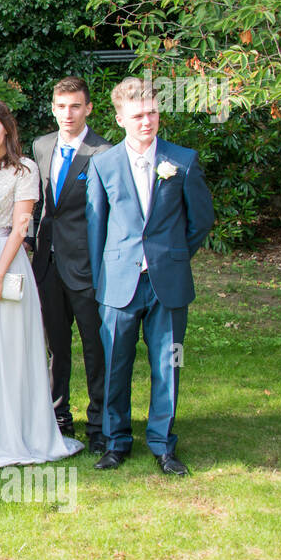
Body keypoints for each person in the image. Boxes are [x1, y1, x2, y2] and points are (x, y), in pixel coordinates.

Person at [86, 76, 214, 475]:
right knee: (114, 367)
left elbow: (201, 221)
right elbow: (96, 227)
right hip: (119, 284)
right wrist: (103, 276)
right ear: (121, 118)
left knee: (167, 365)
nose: (148, 121)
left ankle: (162, 444)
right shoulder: (102, 164)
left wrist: (172, 256)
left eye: (154, 113)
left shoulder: (182, 160)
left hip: (167, 281)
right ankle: (116, 442)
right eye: (139, 115)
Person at [0, 98, 83, 468]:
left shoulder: (25, 169)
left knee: (3, 349)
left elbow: (20, 228)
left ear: (7, 128)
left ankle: (9, 431)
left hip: (4, 260)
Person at [29, 76, 113, 454]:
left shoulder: (105, 152)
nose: (68, 113)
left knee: (95, 348)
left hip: (87, 266)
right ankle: (59, 418)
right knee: (55, 348)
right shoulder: (42, 146)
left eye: (75, 106)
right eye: (61, 106)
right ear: (52, 107)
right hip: (47, 264)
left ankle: (100, 423)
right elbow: (42, 203)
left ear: (89, 108)